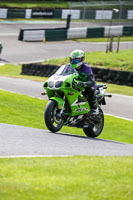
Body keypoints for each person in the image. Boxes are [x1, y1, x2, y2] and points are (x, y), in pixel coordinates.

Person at [68, 49, 99, 115]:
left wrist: (84, 83)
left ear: (82, 59)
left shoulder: (86, 68)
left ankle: (95, 108)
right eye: (72, 59)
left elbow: (92, 81)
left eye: (76, 60)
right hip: (75, 84)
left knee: (90, 90)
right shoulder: (68, 66)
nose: (73, 61)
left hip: (86, 85)